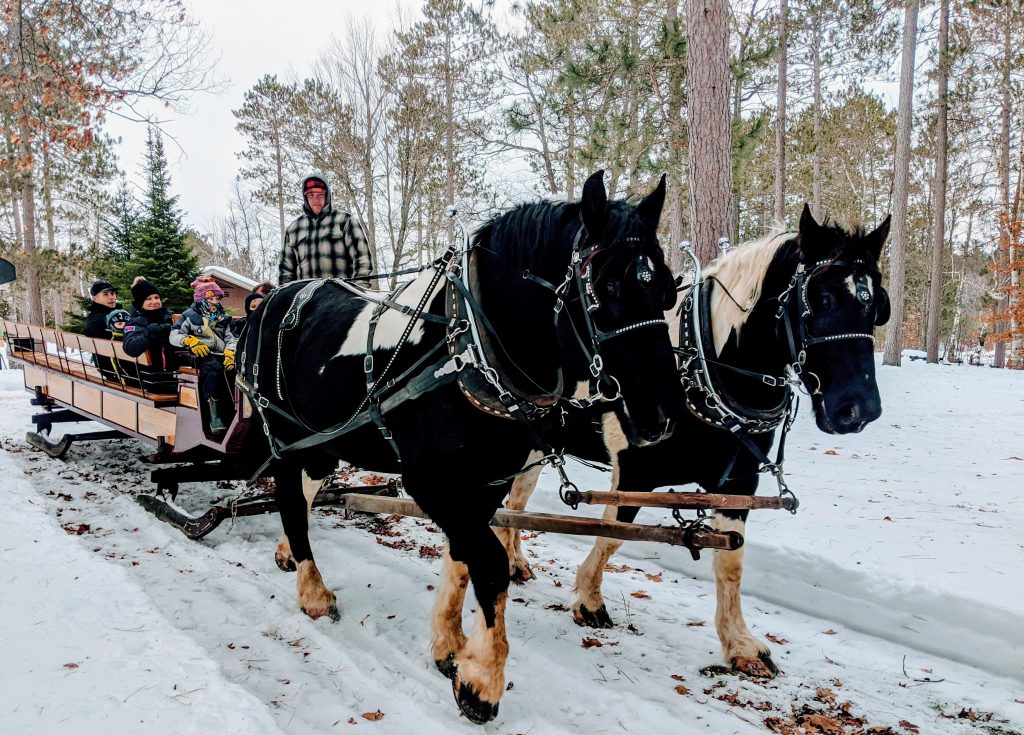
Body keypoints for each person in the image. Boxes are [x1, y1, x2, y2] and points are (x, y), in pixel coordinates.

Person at [278, 175, 374, 287]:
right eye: (311, 195)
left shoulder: (345, 221)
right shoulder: (294, 229)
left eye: (320, 195)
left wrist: (359, 290)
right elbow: (286, 271)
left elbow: (362, 258)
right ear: (306, 198)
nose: (316, 199)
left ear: (327, 196)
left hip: (342, 296)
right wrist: (286, 298)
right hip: (306, 299)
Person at [170, 277, 237, 435]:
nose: (215, 302)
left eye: (217, 298)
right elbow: (174, 336)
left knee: (234, 369)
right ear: (201, 299)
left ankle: (236, 410)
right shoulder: (189, 316)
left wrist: (230, 352)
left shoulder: (224, 318)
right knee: (212, 368)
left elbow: (231, 338)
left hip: (220, 353)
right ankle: (214, 414)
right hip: (197, 354)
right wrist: (189, 340)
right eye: (210, 298)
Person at [121, 277, 177, 393]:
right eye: (148, 299)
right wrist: (150, 334)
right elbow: (130, 347)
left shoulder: (169, 318)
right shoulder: (136, 322)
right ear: (140, 303)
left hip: (177, 374)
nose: (154, 301)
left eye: (156, 297)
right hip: (153, 379)